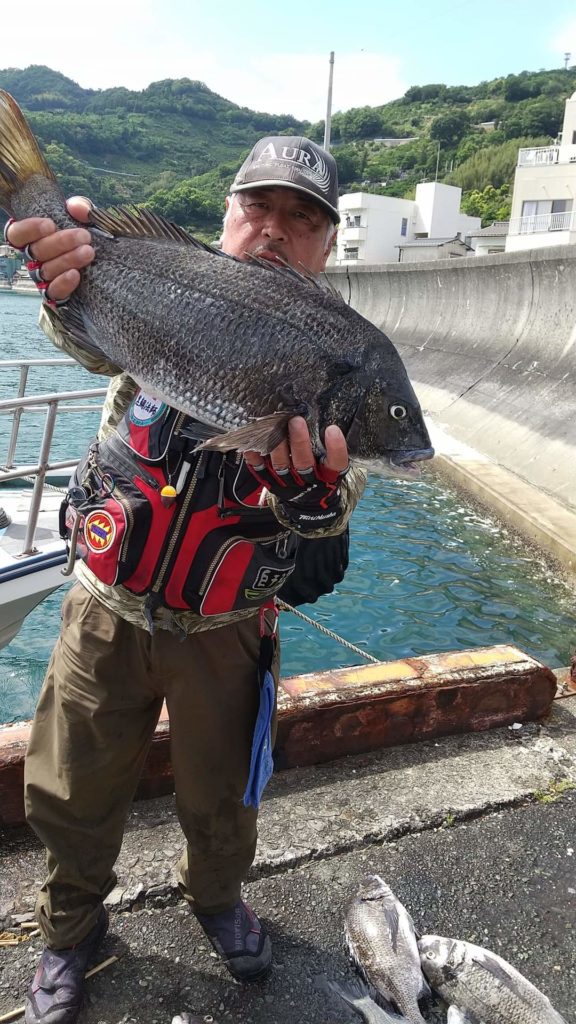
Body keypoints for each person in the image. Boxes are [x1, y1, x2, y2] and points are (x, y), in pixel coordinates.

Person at [5, 136, 366, 1024]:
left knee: (221, 797)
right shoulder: (168, 277)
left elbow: (337, 512)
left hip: (227, 627)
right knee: (71, 786)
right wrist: (62, 274)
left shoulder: (346, 355)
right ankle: (68, 931)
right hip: (105, 609)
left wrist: (311, 500)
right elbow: (85, 336)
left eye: (304, 218)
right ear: (227, 213)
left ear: (327, 244)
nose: (277, 231)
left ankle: (216, 899)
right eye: (260, 207)